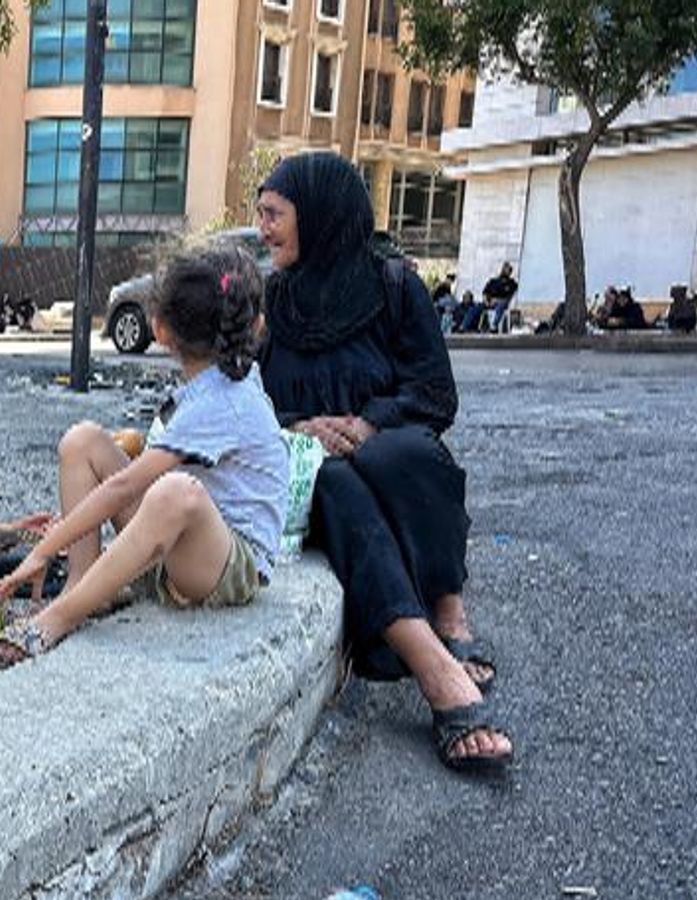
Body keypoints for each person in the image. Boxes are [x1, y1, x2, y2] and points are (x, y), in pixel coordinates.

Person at [253, 152, 511, 773]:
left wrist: (368, 423)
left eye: (273, 214)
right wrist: (301, 427)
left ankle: (448, 607)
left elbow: (435, 394)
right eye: (259, 214)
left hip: (386, 450)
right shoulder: (272, 300)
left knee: (406, 453)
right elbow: (245, 400)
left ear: (321, 216)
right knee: (336, 480)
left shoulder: (394, 286)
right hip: (311, 465)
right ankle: (436, 670)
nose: (261, 227)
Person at [0, 245, 288, 668]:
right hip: (181, 548)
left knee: (175, 492)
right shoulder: (218, 382)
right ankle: (82, 585)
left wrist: (43, 550)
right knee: (83, 441)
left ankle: (60, 616)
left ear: (160, 331)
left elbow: (126, 486)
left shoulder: (223, 401)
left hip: (227, 565)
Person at [481, 262, 519, 333]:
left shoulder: (511, 283)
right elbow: (485, 293)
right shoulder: (493, 281)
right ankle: (465, 326)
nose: (507, 271)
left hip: (502, 302)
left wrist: (496, 300)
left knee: (501, 304)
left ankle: (494, 326)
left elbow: (510, 297)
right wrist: (486, 301)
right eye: (505, 269)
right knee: (475, 307)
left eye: (509, 270)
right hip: (490, 301)